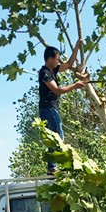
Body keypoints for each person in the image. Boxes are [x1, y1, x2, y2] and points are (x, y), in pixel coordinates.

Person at [38, 39, 87, 174]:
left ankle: (52, 166)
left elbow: (69, 64)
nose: (58, 61)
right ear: (50, 59)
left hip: (51, 108)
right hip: (48, 109)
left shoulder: (53, 71)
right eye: (57, 59)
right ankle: (54, 166)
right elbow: (57, 90)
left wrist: (77, 46)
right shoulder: (45, 73)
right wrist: (75, 86)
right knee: (58, 137)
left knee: (54, 137)